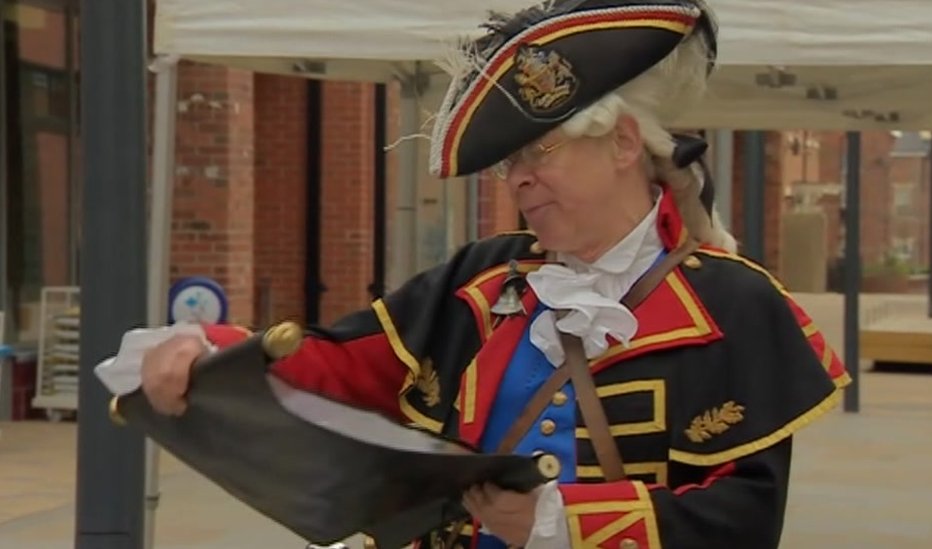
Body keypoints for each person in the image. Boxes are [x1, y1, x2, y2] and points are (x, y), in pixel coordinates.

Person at [98, 0, 851, 547]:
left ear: (624, 144)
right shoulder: (483, 278)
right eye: (511, 161)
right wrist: (207, 345)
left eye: (539, 152)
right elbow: (342, 362)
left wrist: (562, 524)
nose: (516, 180)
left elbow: (743, 519)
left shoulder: (734, 303)